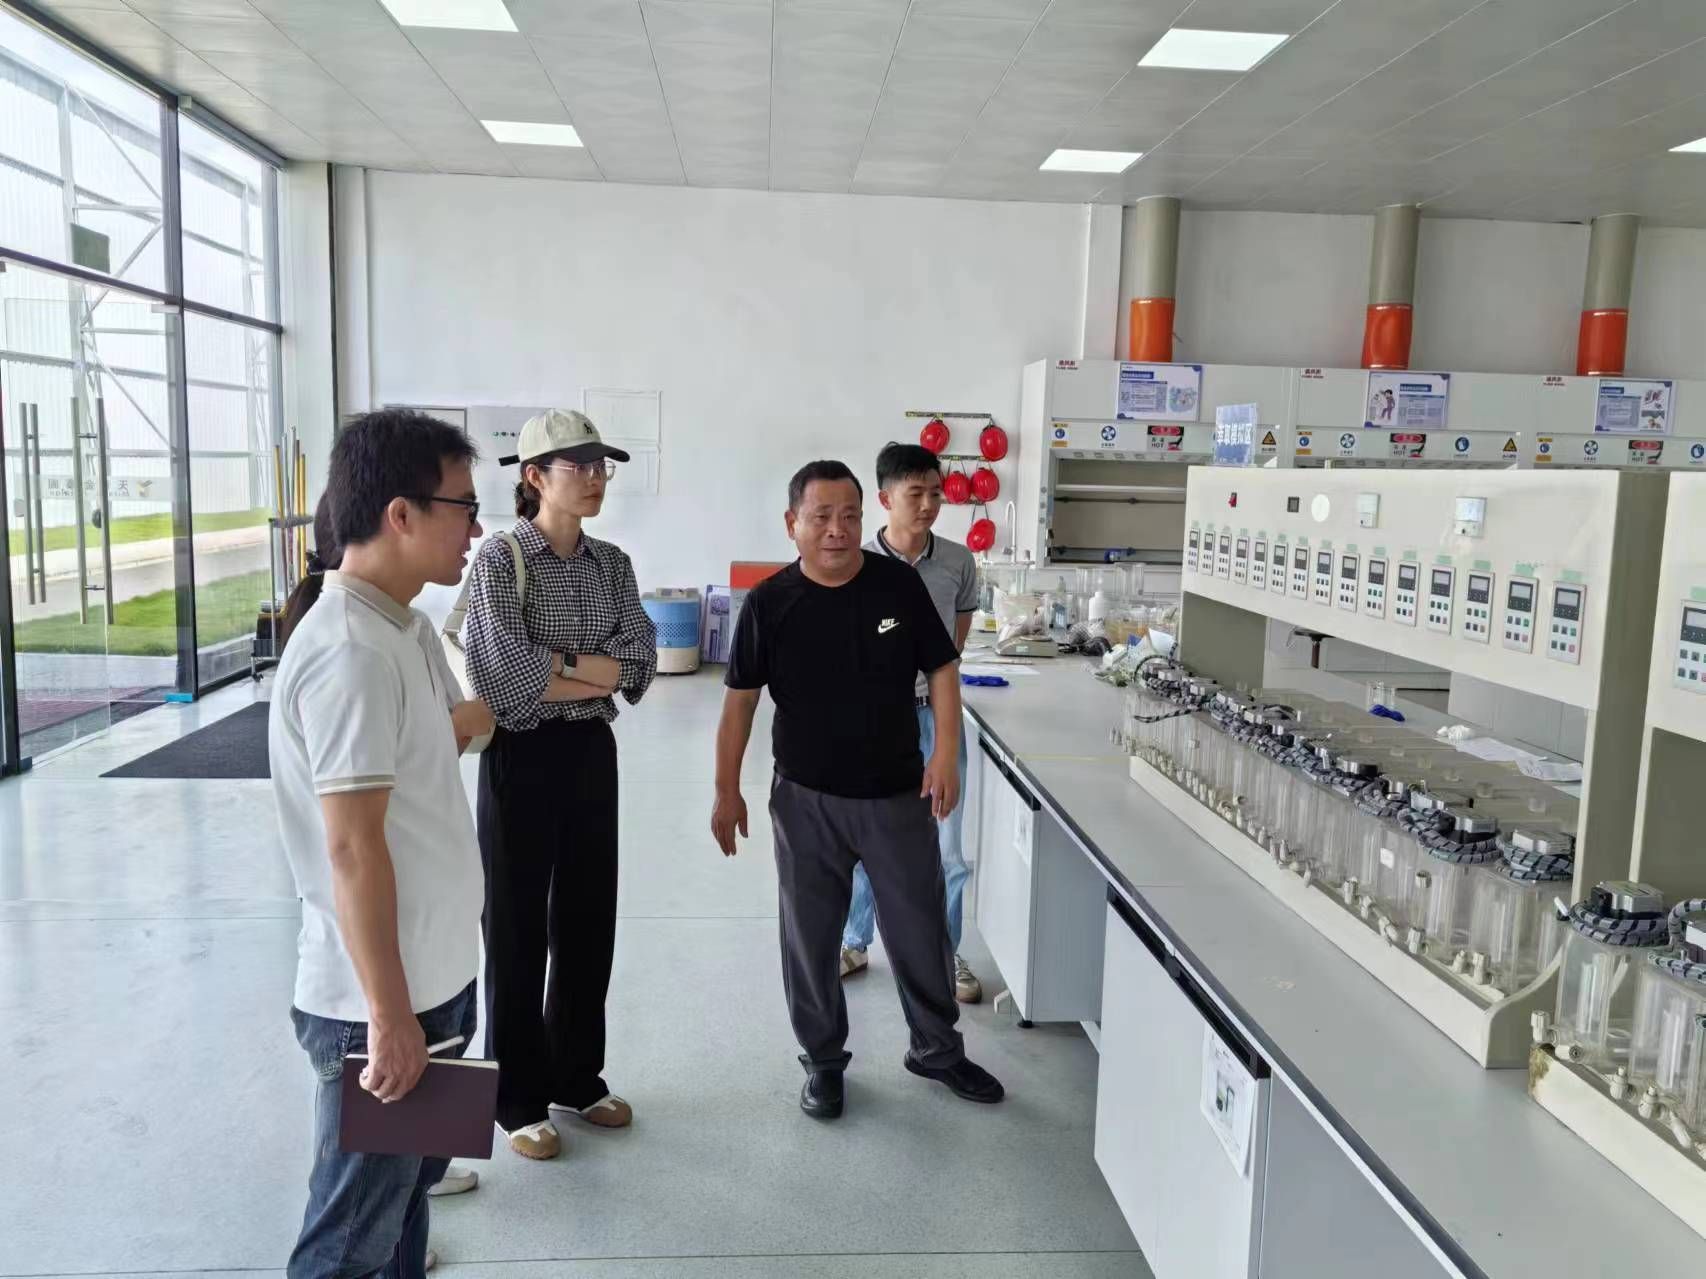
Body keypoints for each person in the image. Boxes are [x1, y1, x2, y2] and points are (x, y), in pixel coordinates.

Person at [710, 459, 1004, 1120]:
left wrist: (946, 753)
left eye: (849, 516)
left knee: (920, 926)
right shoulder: (769, 603)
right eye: (821, 517)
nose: (837, 530)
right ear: (793, 523)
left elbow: (943, 668)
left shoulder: (897, 586)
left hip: (895, 793)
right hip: (805, 799)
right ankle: (822, 1059)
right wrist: (727, 789)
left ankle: (936, 1049)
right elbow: (739, 703)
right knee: (811, 935)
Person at [269, 409, 488, 1277]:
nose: (476, 529)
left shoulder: (402, 627)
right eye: (464, 507)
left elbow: (437, 749)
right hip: (381, 1005)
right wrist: (389, 1016)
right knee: (347, 1241)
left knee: (401, 1205)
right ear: (401, 513)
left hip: (433, 982)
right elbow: (353, 849)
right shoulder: (350, 652)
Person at [462, 409, 658, 1161]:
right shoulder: (501, 559)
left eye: (602, 465)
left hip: (589, 751)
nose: (597, 478)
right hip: (521, 751)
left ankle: (577, 1073)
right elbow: (503, 675)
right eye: (580, 466)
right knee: (515, 925)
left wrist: (557, 663)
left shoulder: (612, 563)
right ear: (535, 477)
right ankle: (515, 1096)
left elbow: (639, 661)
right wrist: (588, 667)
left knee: (587, 915)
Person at [839, 443, 982, 1004]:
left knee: (947, 847)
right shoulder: (856, 563)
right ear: (885, 499)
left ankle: (945, 953)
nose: (927, 505)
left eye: (935, 493)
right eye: (914, 493)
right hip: (874, 722)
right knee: (864, 837)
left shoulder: (958, 562)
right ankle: (853, 941)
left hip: (936, 718)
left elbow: (954, 641)